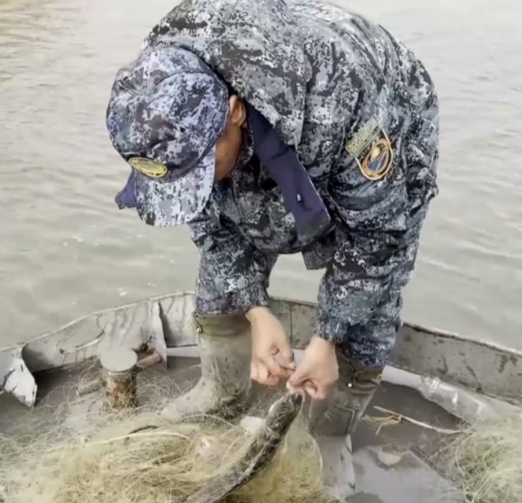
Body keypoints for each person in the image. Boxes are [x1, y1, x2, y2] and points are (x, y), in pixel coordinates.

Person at [104, 0, 438, 499]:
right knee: (227, 237)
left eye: (198, 168)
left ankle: (330, 430)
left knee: (372, 290)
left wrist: (326, 338)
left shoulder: (340, 101)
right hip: (263, 112)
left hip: (378, 111)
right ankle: (221, 390)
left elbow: (378, 240)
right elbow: (212, 226)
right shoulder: (158, 100)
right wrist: (258, 313)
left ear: (234, 110)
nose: (193, 185)